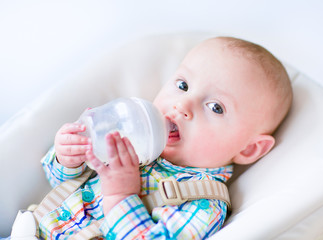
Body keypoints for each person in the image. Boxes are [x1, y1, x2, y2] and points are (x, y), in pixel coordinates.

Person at [39, 36, 293, 239]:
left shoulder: (203, 204)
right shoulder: (131, 139)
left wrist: (121, 197)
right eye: (183, 86)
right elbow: (59, 183)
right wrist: (68, 158)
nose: (183, 104)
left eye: (216, 107)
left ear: (248, 149)